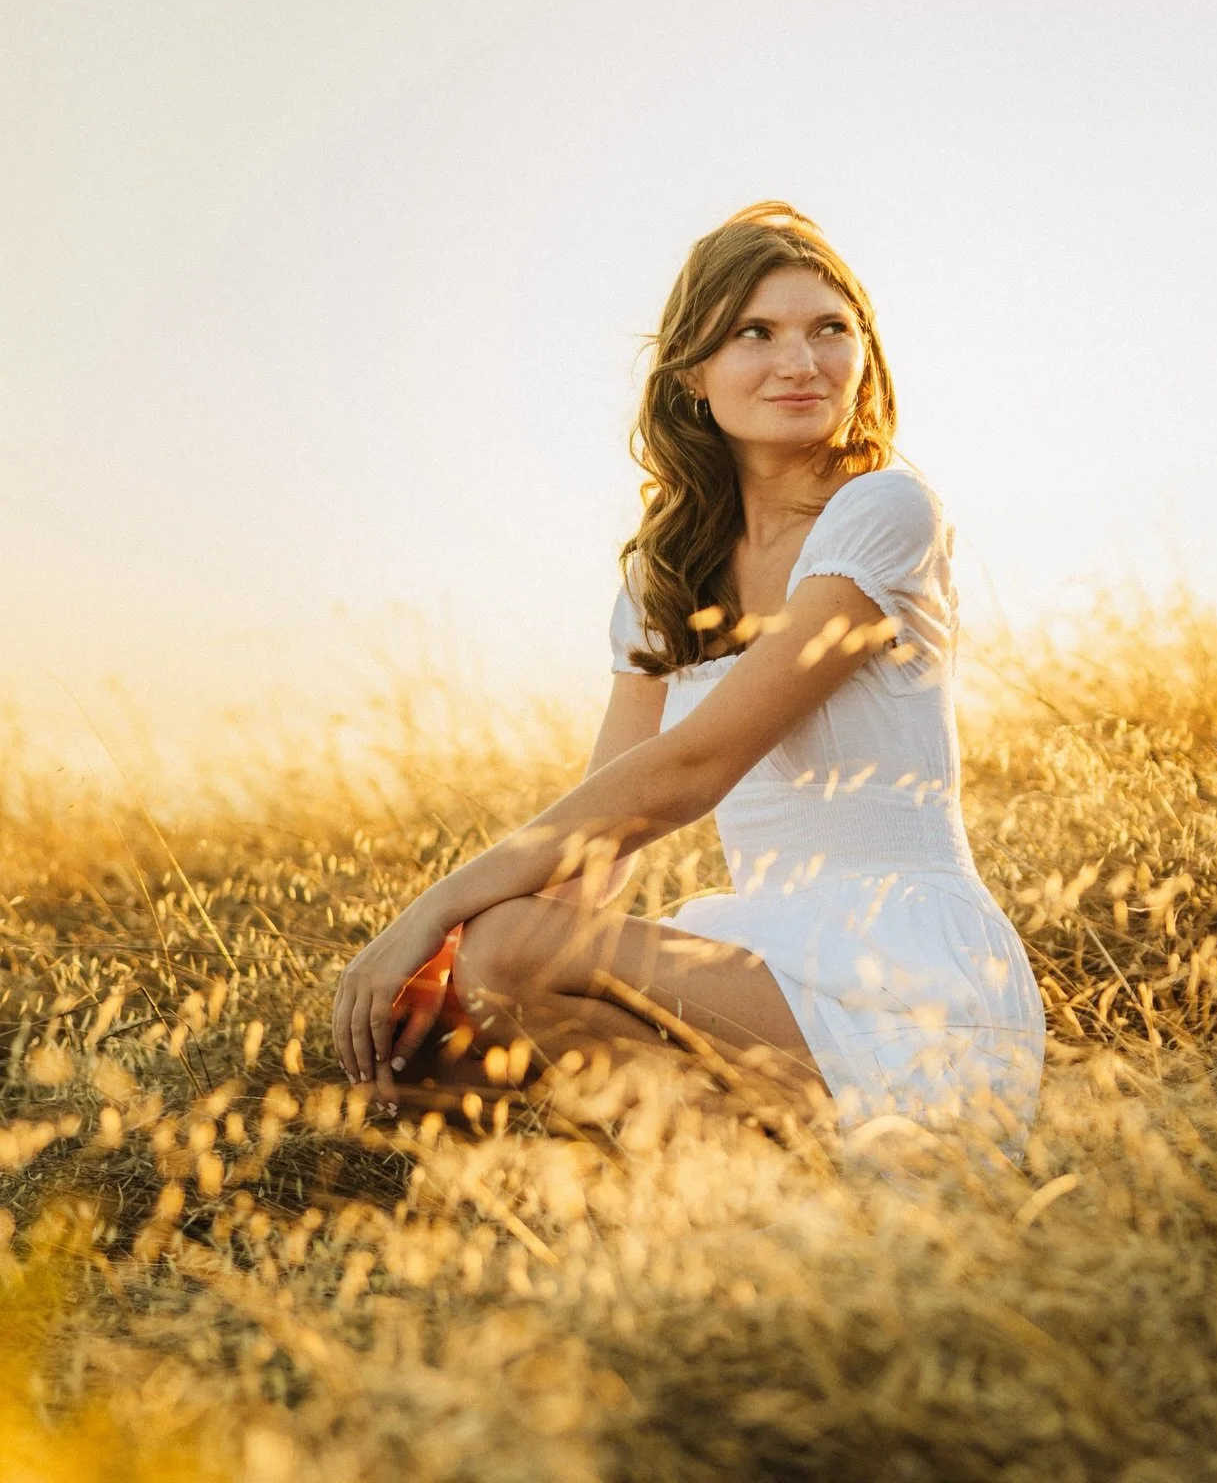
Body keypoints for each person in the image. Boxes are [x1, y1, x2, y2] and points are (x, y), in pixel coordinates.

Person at [330, 203, 1045, 1154]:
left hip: (906, 968)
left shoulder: (884, 511)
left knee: (501, 939)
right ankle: (760, 1211)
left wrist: (431, 916)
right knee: (477, 997)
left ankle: (781, 1196)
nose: (801, 362)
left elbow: (690, 770)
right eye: (756, 333)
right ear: (693, 373)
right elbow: (603, 850)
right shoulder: (663, 575)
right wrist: (455, 1005)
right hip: (762, 957)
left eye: (830, 330)